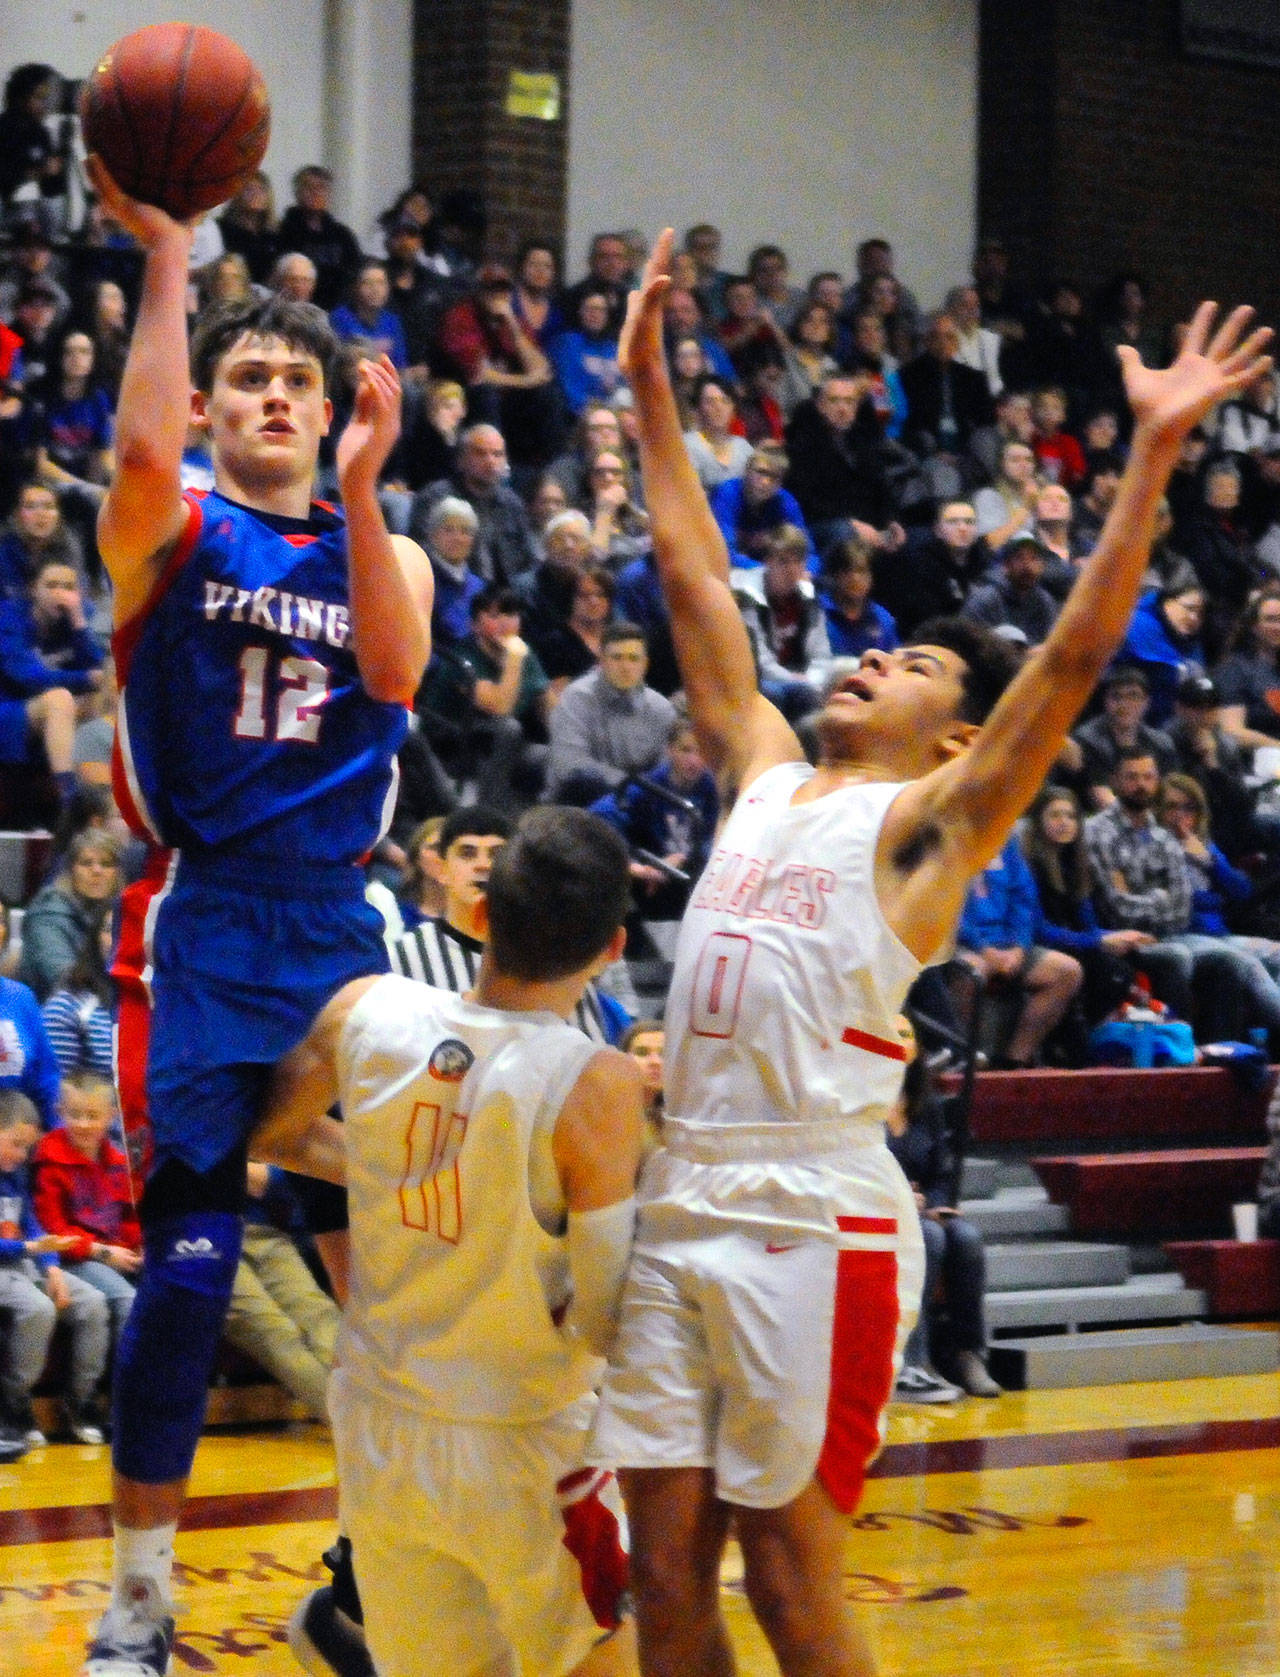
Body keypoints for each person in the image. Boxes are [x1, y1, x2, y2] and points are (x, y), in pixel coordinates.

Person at [586, 227, 1269, 1677]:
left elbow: (1071, 664)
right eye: (876, 647)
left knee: (789, 1582)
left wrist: (1148, 458)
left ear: (959, 736)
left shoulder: (929, 827)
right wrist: (649, 383)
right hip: (683, 1183)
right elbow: (696, 578)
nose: (873, 657)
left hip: (812, 1213)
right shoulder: (761, 770)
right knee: (660, 1580)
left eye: (915, 665)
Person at [78, 155, 433, 1677]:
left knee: (402, 1294)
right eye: (251, 379)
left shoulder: (391, 547)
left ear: (337, 406)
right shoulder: (168, 536)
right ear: (217, 411)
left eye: (301, 377)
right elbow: (144, 447)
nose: (275, 395)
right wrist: (170, 260)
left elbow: (403, 677)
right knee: (189, 1275)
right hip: (206, 926)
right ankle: (138, 1604)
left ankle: (362, 1583)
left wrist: (360, 486)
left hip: (344, 937)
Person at [260, 808, 645, 1677]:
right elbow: (604, 1314)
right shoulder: (598, 1080)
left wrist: (406, 1171)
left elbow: (270, 1133)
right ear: (613, 946)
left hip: (385, 1422)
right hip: (526, 1438)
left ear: (478, 915)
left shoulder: (365, 1008)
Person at [386, 805, 619, 1044]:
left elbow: (589, 1050)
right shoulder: (402, 956)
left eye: (496, 854)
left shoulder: (552, 957)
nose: (483, 865)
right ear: (442, 869)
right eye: (467, 853)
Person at [0, 1089, 110, 1448]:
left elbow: (31, 1222)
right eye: (15, 1144)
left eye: (27, 1148)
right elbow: (26, 1241)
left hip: (24, 1262)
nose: (22, 1155)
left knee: (93, 1303)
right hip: (6, 1265)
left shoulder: (15, 1173)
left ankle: (80, 1400)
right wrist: (29, 1248)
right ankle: (14, 1402)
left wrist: (52, 1267)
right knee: (39, 1308)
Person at [31, 1068, 139, 1361]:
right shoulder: (49, 1161)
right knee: (128, 1301)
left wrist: (138, 1246)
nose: (83, 1124)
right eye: (74, 1114)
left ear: (111, 1115)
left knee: (169, 1291)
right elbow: (52, 1228)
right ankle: (113, 1391)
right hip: (75, 1259)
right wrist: (102, 1251)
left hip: (116, 1254)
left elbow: (128, 1217)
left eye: (93, 1116)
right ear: (60, 1111)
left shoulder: (118, 1161)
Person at [955, 832, 1084, 1067]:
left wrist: (1019, 947)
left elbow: (1023, 898)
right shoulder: (942, 838)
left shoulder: (1004, 838)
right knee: (972, 972)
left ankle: (1013, 1061)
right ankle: (964, 1060)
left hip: (1007, 943)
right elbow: (942, 908)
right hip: (962, 944)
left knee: (1067, 971)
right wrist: (983, 949)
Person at [546, 622, 677, 805]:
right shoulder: (576, 697)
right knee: (585, 783)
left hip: (637, 806)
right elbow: (569, 765)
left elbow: (668, 774)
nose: (625, 666)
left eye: (633, 658)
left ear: (645, 664)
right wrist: (631, 786)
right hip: (574, 806)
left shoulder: (661, 710)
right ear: (601, 661)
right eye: (617, 657)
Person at [18, 828, 121, 1001]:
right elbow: (62, 979)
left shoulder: (122, 912)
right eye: (87, 863)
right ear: (71, 870)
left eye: (106, 864)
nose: (97, 871)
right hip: (56, 1011)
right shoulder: (47, 914)